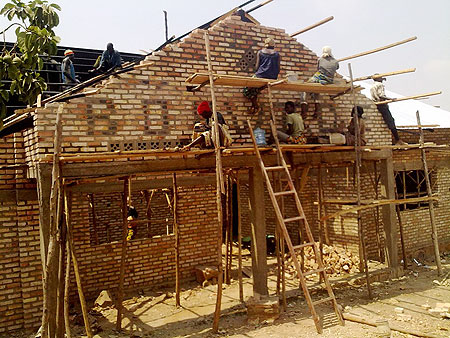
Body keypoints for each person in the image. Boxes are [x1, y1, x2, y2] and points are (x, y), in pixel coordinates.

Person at [370, 77, 406, 145]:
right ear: (378, 79)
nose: (382, 79)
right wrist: (391, 99)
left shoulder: (373, 86)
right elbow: (381, 96)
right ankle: (397, 139)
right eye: (381, 78)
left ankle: (397, 139)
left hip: (376, 104)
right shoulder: (379, 85)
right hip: (381, 104)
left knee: (390, 120)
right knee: (391, 121)